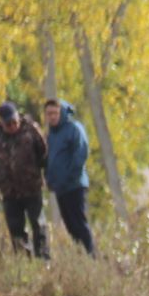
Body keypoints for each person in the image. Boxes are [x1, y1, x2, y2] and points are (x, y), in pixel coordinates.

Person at [0, 102, 49, 259]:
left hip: (31, 187)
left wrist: (44, 174)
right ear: (1, 122)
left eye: (15, 122)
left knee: (38, 223)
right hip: (9, 191)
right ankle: (23, 260)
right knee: (15, 228)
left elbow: (44, 153)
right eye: (8, 124)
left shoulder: (31, 129)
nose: (13, 126)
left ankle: (43, 259)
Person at [43, 98, 95, 257]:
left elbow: (81, 154)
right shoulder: (51, 135)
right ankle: (81, 255)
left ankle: (91, 255)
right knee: (70, 225)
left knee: (79, 222)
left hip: (75, 185)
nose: (52, 117)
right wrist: (50, 179)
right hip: (60, 187)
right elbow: (49, 160)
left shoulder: (73, 128)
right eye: (49, 114)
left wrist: (70, 176)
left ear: (62, 112)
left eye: (55, 113)